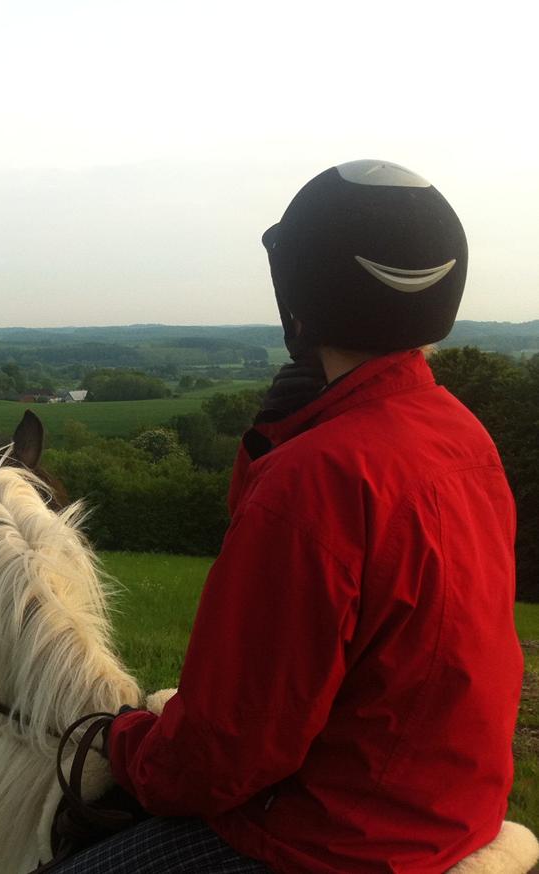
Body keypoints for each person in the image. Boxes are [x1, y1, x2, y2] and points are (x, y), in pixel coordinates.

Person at [62, 160, 522, 873]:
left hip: (332, 841)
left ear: (300, 292)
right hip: (451, 809)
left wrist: (124, 743)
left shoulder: (314, 479)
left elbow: (227, 749)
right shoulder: (462, 436)